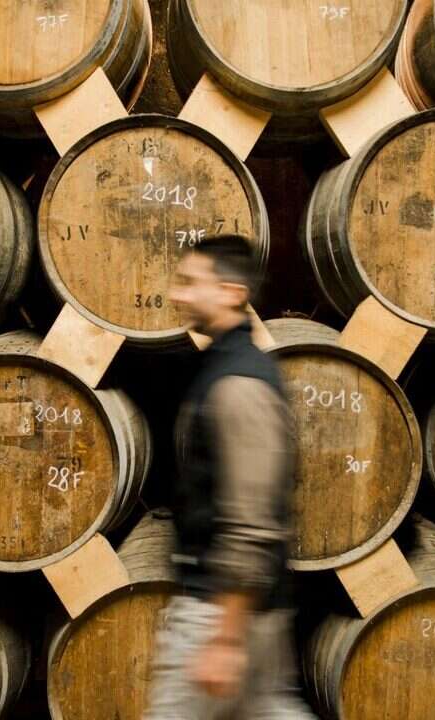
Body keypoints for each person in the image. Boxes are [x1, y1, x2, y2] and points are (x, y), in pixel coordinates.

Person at [144, 234, 315, 719]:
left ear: (232, 292)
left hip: (218, 612)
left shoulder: (239, 381)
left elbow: (253, 516)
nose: (178, 295)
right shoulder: (220, 366)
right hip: (235, 610)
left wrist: (226, 636)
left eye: (191, 283)